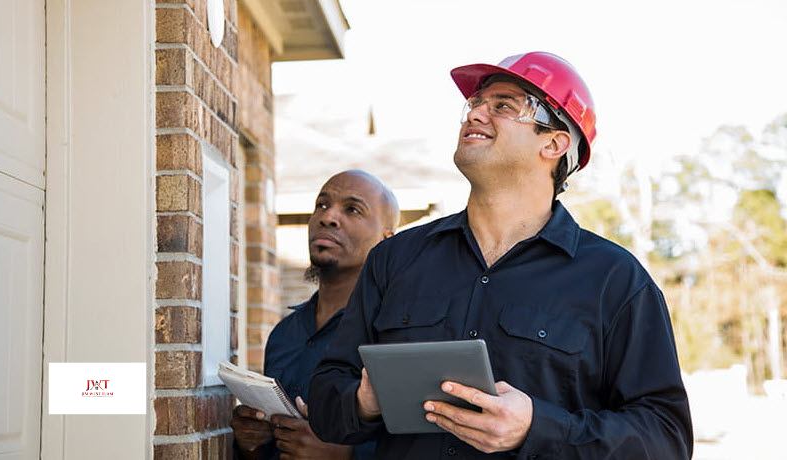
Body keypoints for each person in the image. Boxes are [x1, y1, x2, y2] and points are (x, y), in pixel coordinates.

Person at [308, 52, 694, 459]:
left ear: (554, 143)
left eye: (503, 105)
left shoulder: (615, 280)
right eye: (475, 104)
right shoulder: (394, 259)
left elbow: (665, 438)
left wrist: (537, 428)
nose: (475, 114)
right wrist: (365, 400)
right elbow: (326, 400)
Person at [231, 170, 399, 460]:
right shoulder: (284, 334)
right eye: (322, 204)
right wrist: (250, 442)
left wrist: (345, 455)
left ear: (386, 240)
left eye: (352, 209)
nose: (328, 217)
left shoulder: (396, 332)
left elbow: (425, 438)